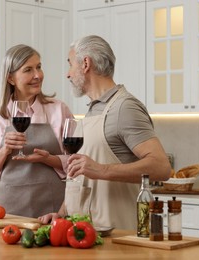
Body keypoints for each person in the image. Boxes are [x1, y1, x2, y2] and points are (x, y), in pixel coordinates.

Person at [38, 35, 171, 230]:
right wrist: (61, 214)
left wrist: (102, 170)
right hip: (85, 234)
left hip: (118, 237)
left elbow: (162, 167)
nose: (68, 74)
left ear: (85, 63)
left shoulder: (125, 108)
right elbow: (81, 178)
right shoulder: (93, 109)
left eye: (70, 65)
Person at [0, 44, 73, 218]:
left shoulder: (59, 110)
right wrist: (4, 151)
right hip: (6, 213)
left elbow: (77, 162)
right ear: (11, 78)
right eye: (28, 70)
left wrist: (49, 159)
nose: (37, 75)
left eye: (39, 67)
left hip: (52, 211)